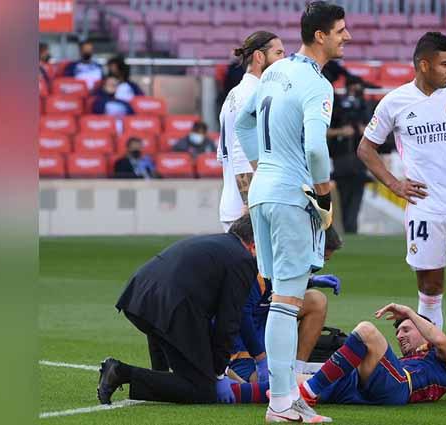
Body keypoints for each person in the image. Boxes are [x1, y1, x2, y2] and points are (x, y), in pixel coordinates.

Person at [234, 1, 351, 422]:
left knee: (282, 299)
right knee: (286, 302)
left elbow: (243, 124)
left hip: (264, 192)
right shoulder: (318, 85)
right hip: (289, 196)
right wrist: (323, 194)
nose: (347, 37)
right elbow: (317, 148)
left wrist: (261, 164)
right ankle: (281, 403)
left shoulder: (276, 71)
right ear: (320, 36)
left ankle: (286, 398)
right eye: (340, 30)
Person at [357, 32, 446, 329]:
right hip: (424, 208)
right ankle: (431, 366)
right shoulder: (395, 102)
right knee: (430, 288)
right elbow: (366, 149)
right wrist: (395, 184)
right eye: (445, 64)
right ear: (424, 65)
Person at [96, 215, 259, 405]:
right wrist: (219, 373)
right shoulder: (243, 259)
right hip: (173, 307)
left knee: (163, 334)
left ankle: (159, 376)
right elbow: (228, 320)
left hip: (139, 295)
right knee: (203, 390)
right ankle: (120, 372)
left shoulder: (216, 243)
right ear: (254, 245)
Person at [227, 303, 446, 407]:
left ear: (424, 330)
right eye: (398, 330)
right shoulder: (402, 361)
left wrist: (409, 311)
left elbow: (440, 340)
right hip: (365, 389)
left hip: (399, 389)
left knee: (367, 330)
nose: (400, 335)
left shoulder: (445, 359)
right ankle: (219, 391)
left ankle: (309, 393)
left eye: (406, 329)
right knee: (286, 384)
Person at [228, 226, 343, 383]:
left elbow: (280, 286)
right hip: (243, 355)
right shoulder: (255, 270)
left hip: (263, 332)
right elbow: (242, 318)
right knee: (288, 385)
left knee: (316, 300)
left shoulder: (283, 261)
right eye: (319, 258)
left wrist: (310, 281)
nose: (319, 265)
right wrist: (260, 358)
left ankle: (297, 368)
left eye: (324, 260)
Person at [218, 31, 285, 232]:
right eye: (279, 53)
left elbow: (224, 155)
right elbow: (241, 154)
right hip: (247, 210)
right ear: (259, 57)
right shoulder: (253, 95)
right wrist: (251, 206)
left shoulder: (234, 93)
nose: (284, 60)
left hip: (233, 204)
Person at [328, 76, 370, 234]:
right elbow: (326, 130)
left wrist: (364, 130)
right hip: (342, 159)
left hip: (359, 159)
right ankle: (347, 229)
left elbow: (377, 130)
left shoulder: (365, 107)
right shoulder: (337, 106)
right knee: (344, 198)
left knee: (356, 198)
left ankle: (352, 229)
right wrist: (341, 131)